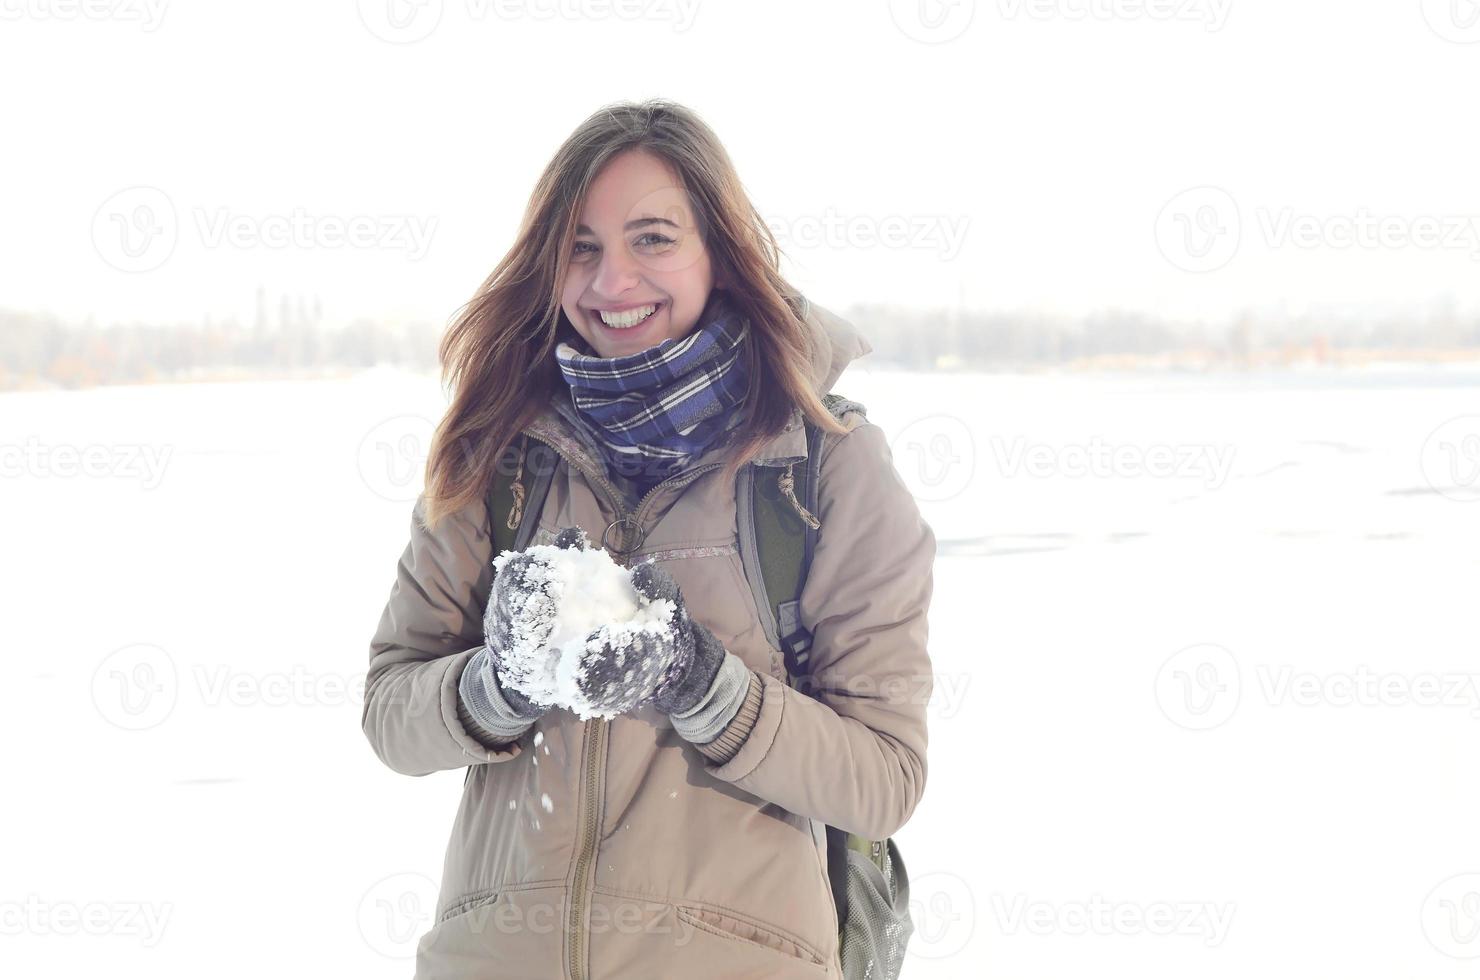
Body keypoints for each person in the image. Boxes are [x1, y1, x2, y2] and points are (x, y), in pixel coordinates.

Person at [362, 98, 936, 980]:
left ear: (722, 251)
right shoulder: (499, 452)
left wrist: (700, 683)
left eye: (653, 239)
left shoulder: (824, 464)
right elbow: (391, 714)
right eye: (581, 247)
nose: (611, 281)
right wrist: (498, 684)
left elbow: (884, 777)